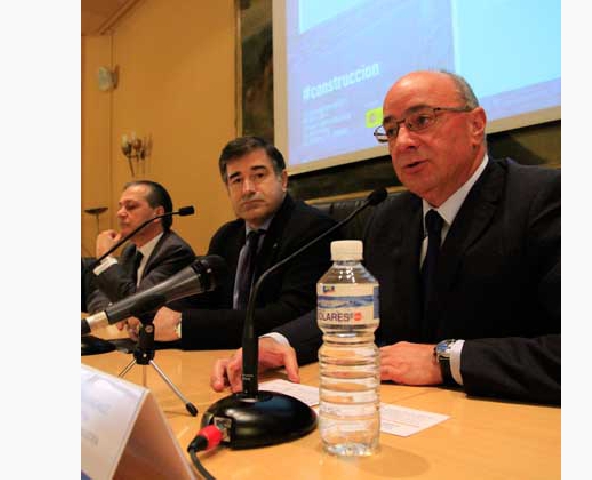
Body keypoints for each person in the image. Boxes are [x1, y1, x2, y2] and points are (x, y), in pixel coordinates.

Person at [210, 70, 561, 405]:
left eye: (421, 121)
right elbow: (352, 311)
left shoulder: (543, 200)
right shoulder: (389, 217)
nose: (403, 142)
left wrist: (445, 360)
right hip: (404, 411)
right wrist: (277, 341)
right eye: (391, 131)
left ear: (475, 125)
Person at [127, 137, 339, 349]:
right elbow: (203, 297)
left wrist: (183, 325)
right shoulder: (226, 236)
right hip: (222, 355)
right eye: (236, 180)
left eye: (259, 175)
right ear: (228, 188)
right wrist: (153, 315)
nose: (247, 189)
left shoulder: (313, 229)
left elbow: (292, 313)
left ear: (283, 180)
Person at [85, 180, 196, 328]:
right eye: (120, 207)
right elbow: (99, 294)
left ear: (157, 213)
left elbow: (140, 305)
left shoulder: (176, 252)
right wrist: (111, 315)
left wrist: (105, 260)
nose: (120, 213)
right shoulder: (130, 250)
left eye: (130, 207)